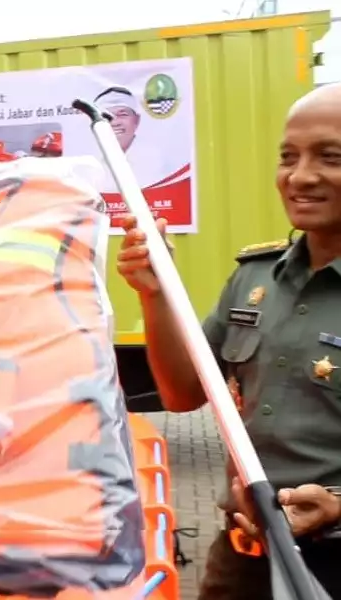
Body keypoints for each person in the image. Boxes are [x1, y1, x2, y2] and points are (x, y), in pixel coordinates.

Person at [116, 82, 341, 598]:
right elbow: (183, 395)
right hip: (241, 562)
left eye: (330, 157)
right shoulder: (254, 279)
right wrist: (156, 294)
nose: (300, 176)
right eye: (288, 156)